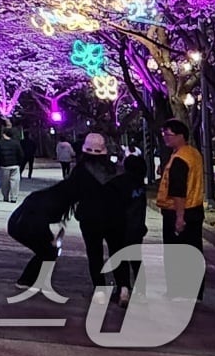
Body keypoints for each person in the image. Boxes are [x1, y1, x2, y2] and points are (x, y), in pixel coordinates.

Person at [65, 132, 130, 296]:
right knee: (118, 251)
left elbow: (72, 193)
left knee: (94, 254)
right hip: (115, 218)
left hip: (90, 218)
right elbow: (126, 194)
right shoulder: (115, 169)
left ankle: (100, 290)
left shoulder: (80, 170)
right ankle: (123, 287)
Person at [156, 119, 205, 300]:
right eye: (164, 135)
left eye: (168, 135)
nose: (165, 138)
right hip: (195, 209)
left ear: (180, 136)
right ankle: (195, 292)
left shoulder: (179, 159)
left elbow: (178, 190)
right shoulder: (193, 154)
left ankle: (178, 291)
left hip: (179, 211)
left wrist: (179, 217)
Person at [8, 179, 74, 290]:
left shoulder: (47, 197)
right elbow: (39, 222)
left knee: (47, 251)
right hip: (23, 226)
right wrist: (50, 239)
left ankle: (34, 279)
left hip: (21, 224)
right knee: (47, 252)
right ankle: (26, 280)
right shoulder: (52, 202)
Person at [108, 153, 148, 307]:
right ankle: (141, 292)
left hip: (119, 228)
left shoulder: (117, 183)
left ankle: (123, 290)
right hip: (136, 229)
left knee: (120, 259)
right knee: (136, 260)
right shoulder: (140, 186)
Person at [0, 127, 23, 202]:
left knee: (5, 183)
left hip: (4, 166)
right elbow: (21, 154)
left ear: (4, 134)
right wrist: (19, 163)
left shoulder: (1, 143)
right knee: (15, 182)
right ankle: (14, 197)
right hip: (15, 165)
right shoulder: (16, 143)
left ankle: (6, 197)